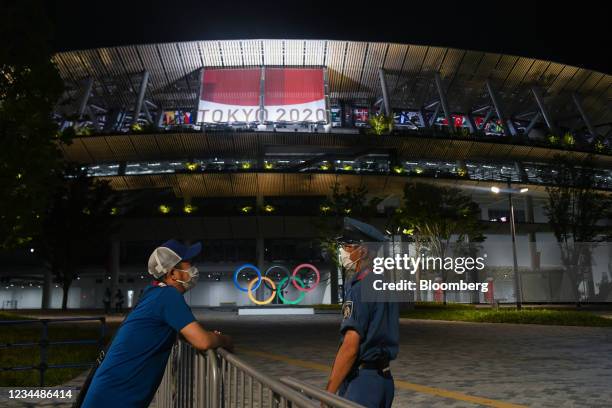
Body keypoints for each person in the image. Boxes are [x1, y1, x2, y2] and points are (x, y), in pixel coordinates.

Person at [82, 239, 233, 408]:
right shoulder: (168, 296)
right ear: (173, 273)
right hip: (114, 399)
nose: (193, 269)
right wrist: (225, 340)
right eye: (188, 264)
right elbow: (202, 341)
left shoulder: (153, 293)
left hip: (110, 392)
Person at [325, 217, 399, 408]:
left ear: (363, 251)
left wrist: (328, 393)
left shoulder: (359, 287)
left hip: (362, 382)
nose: (343, 251)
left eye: (348, 246)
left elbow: (350, 346)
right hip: (384, 380)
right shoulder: (384, 283)